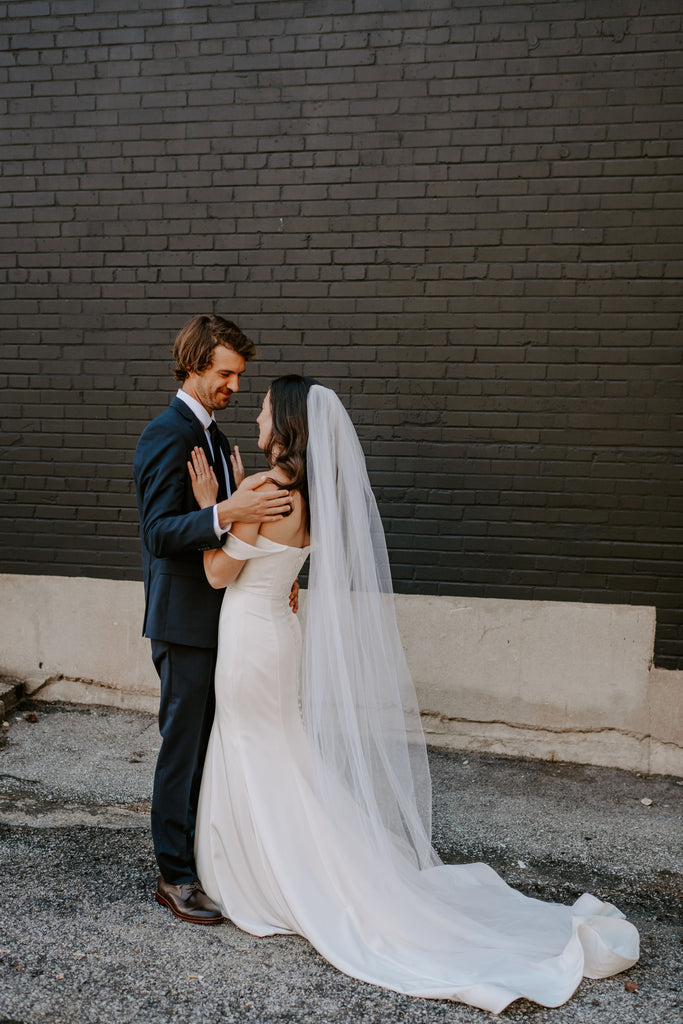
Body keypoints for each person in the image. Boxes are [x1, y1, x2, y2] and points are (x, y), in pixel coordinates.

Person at [187, 375, 639, 1013]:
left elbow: (214, 573)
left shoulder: (264, 491)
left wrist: (217, 503)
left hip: (251, 639)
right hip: (279, 633)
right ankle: (303, 862)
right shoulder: (314, 495)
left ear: (284, 427)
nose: (256, 417)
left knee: (255, 746)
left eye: (263, 410)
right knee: (278, 745)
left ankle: (268, 874)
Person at [133, 314, 295, 925]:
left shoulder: (212, 433)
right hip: (184, 622)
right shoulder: (166, 435)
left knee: (210, 746)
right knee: (183, 747)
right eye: (224, 373)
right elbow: (158, 533)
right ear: (194, 365)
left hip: (224, 615)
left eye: (237, 376)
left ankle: (204, 856)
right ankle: (174, 876)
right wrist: (229, 506)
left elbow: (227, 535)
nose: (233, 385)